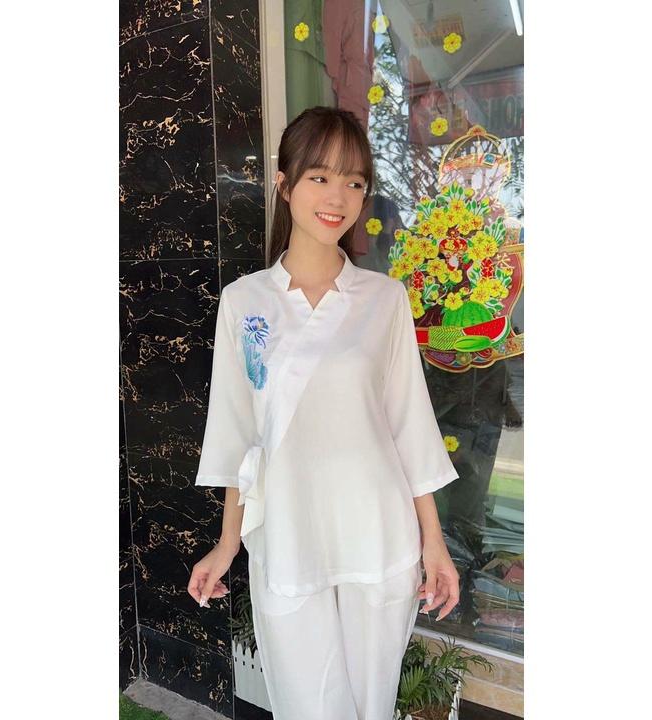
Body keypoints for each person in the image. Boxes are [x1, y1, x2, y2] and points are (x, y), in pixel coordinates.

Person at [188, 106, 460, 720]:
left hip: (377, 530)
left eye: (355, 182)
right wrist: (227, 544)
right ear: (284, 184)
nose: (338, 197)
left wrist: (434, 544)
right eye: (320, 177)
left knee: (370, 703)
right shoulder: (243, 302)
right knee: (306, 705)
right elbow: (237, 432)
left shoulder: (384, 299)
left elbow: (409, 426)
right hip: (287, 532)